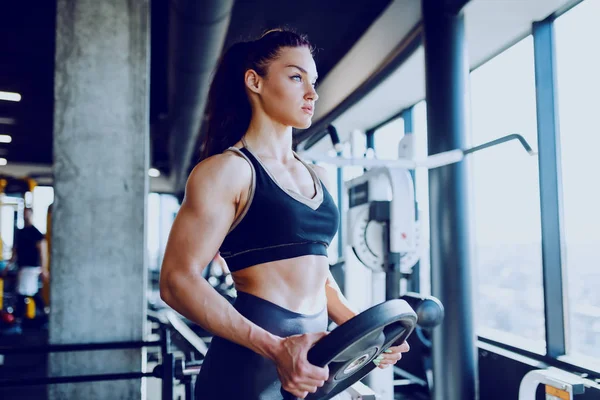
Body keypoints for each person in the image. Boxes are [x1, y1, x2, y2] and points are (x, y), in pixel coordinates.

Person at [159, 29, 410, 400]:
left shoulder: (318, 177)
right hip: (249, 366)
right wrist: (277, 348)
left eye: (313, 81)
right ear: (254, 81)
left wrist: (365, 331)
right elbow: (177, 280)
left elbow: (320, 280)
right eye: (296, 77)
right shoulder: (228, 171)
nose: (312, 92)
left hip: (312, 364)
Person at [6, 207, 49, 333]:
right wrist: (9, 266)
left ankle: (22, 317)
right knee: (27, 292)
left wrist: (44, 268)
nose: (26, 217)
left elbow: (43, 251)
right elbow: (15, 251)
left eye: (27, 215)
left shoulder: (36, 233)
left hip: (31, 268)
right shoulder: (20, 233)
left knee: (24, 292)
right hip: (22, 267)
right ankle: (25, 317)